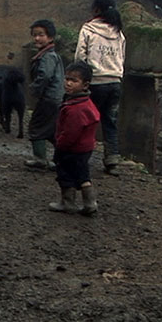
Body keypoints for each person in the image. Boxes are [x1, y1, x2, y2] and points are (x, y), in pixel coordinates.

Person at [74, 0, 127, 176]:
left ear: (96, 9)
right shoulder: (119, 33)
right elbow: (122, 58)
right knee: (109, 122)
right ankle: (112, 159)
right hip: (115, 83)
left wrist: (81, 79)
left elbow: (80, 57)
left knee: (88, 121)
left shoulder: (88, 29)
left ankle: (82, 158)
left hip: (95, 83)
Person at [49, 61, 101, 215]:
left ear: (85, 85)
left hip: (72, 148)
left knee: (65, 174)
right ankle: (90, 202)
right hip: (85, 148)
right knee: (83, 174)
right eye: (67, 79)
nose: (68, 83)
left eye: (74, 81)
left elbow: (70, 132)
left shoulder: (75, 108)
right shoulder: (86, 103)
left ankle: (68, 202)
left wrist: (60, 146)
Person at [24, 19, 65, 170]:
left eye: (41, 35)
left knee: (36, 127)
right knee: (52, 131)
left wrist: (34, 89)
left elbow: (45, 76)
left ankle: (40, 158)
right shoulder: (49, 55)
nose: (37, 38)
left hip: (49, 99)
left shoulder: (47, 57)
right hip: (55, 99)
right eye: (34, 35)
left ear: (51, 37)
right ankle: (62, 160)